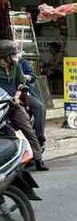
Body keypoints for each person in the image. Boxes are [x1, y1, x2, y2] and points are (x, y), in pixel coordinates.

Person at [0, 39, 47, 170]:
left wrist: (16, 97)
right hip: (1, 104)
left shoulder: (16, 66)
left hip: (13, 103)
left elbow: (22, 83)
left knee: (27, 129)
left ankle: (38, 159)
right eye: (11, 55)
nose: (13, 57)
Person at [20, 54, 46, 147]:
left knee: (39, 106)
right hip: (6, 96)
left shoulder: (22, 63)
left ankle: (39, 136)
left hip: (22, 94)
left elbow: (32, 77)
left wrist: (26, 77)